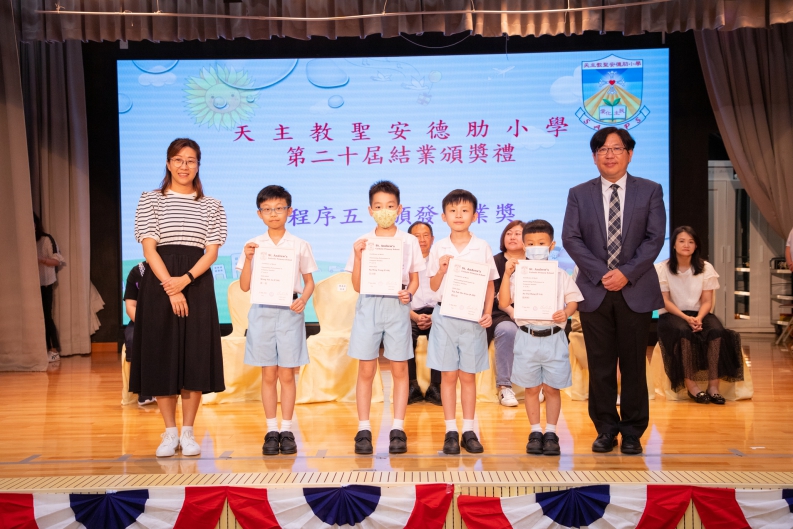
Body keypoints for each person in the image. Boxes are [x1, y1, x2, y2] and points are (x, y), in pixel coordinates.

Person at [562, 127, 666, 455]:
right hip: (595, 290)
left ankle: (633, 431)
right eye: (602, 150)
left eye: (616, 148)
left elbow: (654, 238)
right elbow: (570, 238)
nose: (609, 155)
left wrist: (626, 273)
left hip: (636, 289)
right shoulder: (579, 193)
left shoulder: (650, 190)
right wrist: (602, 273)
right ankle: (605, 429)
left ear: (629, 154)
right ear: (594, 157)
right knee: (601, 365)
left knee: (634, 365)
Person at [130, 138, 227, 458]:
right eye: (178, 160)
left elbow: (211, 252)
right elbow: (149, 249)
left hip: (196, 282)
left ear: (198, 165)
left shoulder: (212, 204)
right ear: (168, 163)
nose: (184, 166)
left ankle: (188, 432)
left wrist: (184, 281)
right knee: (162, 355)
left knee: (194, 357)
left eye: (191, 161)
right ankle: (169, 432)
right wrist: (170, 287)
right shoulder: (150, 199)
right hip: (160, 282)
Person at [237, 185, 318, 455]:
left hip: (290, 312)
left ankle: (287, 429)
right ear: (259, 213)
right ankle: (271, 430)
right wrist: (248, 259)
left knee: (287, 374)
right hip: (262, 311)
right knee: (268, 373)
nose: (273, 214)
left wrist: (303, 299)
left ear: (289, 211)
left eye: (279, 208)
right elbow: (245, 286)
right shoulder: (253, 245)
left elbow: (309, 282)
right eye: (267, 209)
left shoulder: (300, 245)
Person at [346, 181, 424, 455]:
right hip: (369, 306)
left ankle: (398, 428)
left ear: (399, 208)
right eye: (378, 206)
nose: (384, 211)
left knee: (400, 369)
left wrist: (409, 293)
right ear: (370, 210)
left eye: (390, 206)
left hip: (397, 306)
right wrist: (358, 257)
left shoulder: (409, 241)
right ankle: (363, 429)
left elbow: (414, 279)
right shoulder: (363, 242)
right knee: (366, 370)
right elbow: (357, 286)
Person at [499, 220, 583, 456]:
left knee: (553, 389)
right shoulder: (518, 275)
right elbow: (503, 302)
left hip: (554, 337)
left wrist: (566, 312)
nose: (536, 248)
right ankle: (535, 431)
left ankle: (552, 432)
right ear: (524, 246)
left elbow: (573, 300)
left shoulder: (560, 274)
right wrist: (506, 274)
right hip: (527, 337)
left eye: (541, 243)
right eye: (531, 244)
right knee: (531, 389)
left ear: (551, 245)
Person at [427, 189, 498, 455]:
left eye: (465, 210)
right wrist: (441, 270)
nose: (459, 215)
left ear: (475, 216)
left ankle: (469, 430)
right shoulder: (439, 247)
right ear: (443, 216)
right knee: (448, 376)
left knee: (468, 376)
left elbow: (490, 285)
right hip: (445, 316)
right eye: (453, 211)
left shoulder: (482, 246)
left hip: (472, 319)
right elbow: (433, 286)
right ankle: (450, 431)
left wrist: (488, 312)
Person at [656, 226, 743, 405]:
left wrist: (699, 318)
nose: (686, 245)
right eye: (682, 241)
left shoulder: (706, 268)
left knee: (717, 331)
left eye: (691, 241)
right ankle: (692, 387)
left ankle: (713, 387)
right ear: (673, 245)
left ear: (696, 246)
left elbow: (706, 301)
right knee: (683, 331)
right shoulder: (662, 268)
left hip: (699, 313)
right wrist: (686, 318)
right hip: (672, 314)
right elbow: (664, 301)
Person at [406, 221, 443, 406]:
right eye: (416, 236)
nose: (421, 239)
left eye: (425, 235)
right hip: (410, 313)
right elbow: (397, 295)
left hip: (437, 312)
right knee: (404, 334)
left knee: (442, 334)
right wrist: (413, 315)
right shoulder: (401, 264)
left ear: (432, 238)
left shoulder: (441, 263)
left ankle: (435, 387)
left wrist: (434, 316)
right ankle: (411, 385)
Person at [488, 220, 524, 407]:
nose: (512, 237)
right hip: (500, 312)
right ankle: (504, 387)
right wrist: (512, 311)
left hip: (530, 312)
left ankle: (537, 385)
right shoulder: (495, 261)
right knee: (507, 330)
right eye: (509, 233)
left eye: (517, 233)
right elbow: (492, 294)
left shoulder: (535, 262)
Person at [123, 262, 156, 407]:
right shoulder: (137, 271)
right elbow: (130, 306)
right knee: (134, 338)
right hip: (142, 320)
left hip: (171, 318)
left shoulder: (175, 268)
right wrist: (146, 323)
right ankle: (144, 390)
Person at [34, 213, 62, 362]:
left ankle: (54, 349)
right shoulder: (24, 240)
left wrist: (41, 260)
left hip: (45, 283)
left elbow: (57, 261)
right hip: (30, 285)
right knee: (35, 318)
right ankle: (41, 349)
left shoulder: (46, 239)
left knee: (46, 316)